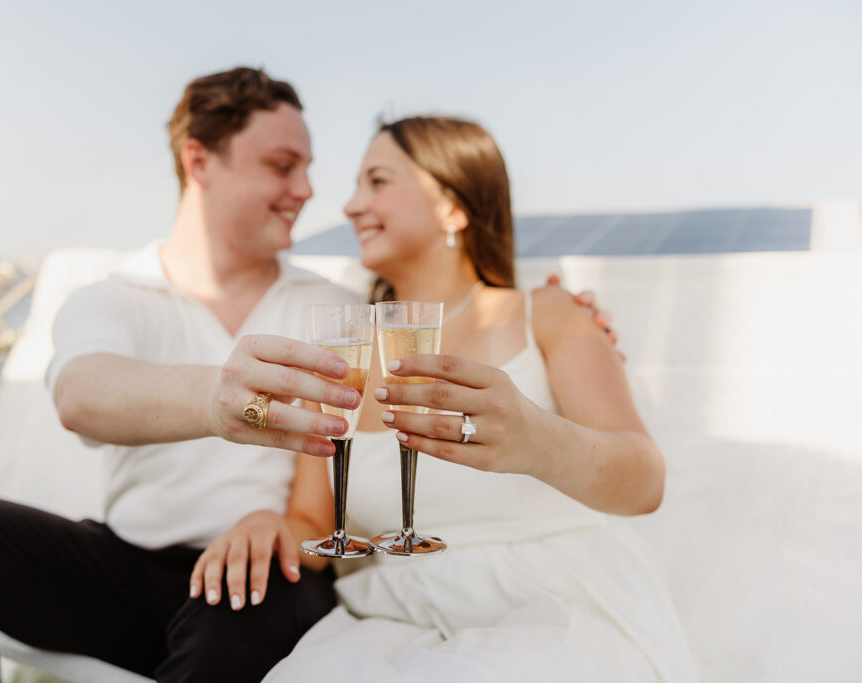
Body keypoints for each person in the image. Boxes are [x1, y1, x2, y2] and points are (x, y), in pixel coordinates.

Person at [0, 67, 362, 683]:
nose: (306, 189)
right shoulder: (113, 296)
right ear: (198, 160)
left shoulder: (331, 309)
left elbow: (321, 501)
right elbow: (81, 393)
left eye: (308, 168)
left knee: (243, 615)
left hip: (261, 570)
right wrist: (218, 397)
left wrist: (275, 527)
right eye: (283, 166)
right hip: (124, 570)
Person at [198, 116, 698, 682]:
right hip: (390, 622)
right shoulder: (346, 353)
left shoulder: (548, 315)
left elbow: (645, 481)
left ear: (453, 207)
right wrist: (267, 524)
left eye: (378, 182)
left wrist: (538, 440)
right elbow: (313, 522)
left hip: (554, 610)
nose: (351, 206)